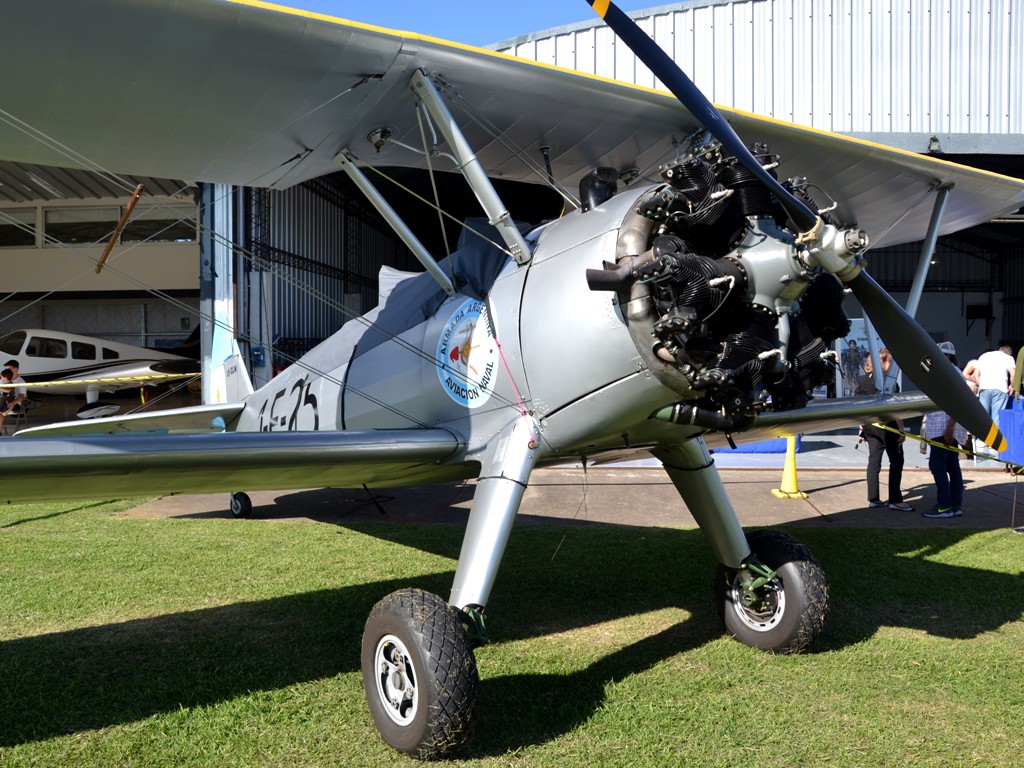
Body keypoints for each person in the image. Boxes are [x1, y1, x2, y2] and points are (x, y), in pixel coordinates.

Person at [855, 349, 913, 511]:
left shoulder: (862, 380)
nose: (891, 366)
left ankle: (873, 498)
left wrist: (862, 428)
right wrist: (901, 430)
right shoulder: (889, 382)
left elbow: (857, 406)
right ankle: (895, 499)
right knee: (897, 461)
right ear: (882, 362)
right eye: (889, 362)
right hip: (888, 428)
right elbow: (897, 410)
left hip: (870, 428)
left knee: (874, 461)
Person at [921, 342, 968, 518]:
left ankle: (944, 506)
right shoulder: (952, 372)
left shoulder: (949, 374)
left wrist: (950, 427)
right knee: (951, 465)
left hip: (944, 427)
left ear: (946, 357)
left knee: (937, 465)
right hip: (945, 427)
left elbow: (958, 402)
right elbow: (922, 367)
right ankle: (955, 506)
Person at [0, 366, 27, 432]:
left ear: (5, 377)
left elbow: (8, 391)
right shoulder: (3, 382)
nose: (1, 378)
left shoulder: (11, 384)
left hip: (8, 402)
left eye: (2, 377)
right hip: (4, 401)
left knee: (1, 414)